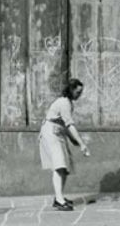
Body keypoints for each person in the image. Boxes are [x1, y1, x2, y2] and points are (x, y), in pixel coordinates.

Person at [39, 78, 90, 211]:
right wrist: (82, 144)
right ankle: (59, 200)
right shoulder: (64, 103)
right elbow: (69, 124)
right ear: (71, 90)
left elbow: (65, 125)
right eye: (78, 92)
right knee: (59, 166)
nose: (79, 95)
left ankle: (59, 197)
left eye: (81, 92)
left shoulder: (69, 104)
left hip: (58, 133)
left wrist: (74, 140)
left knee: (65, 167)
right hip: (51, 133)